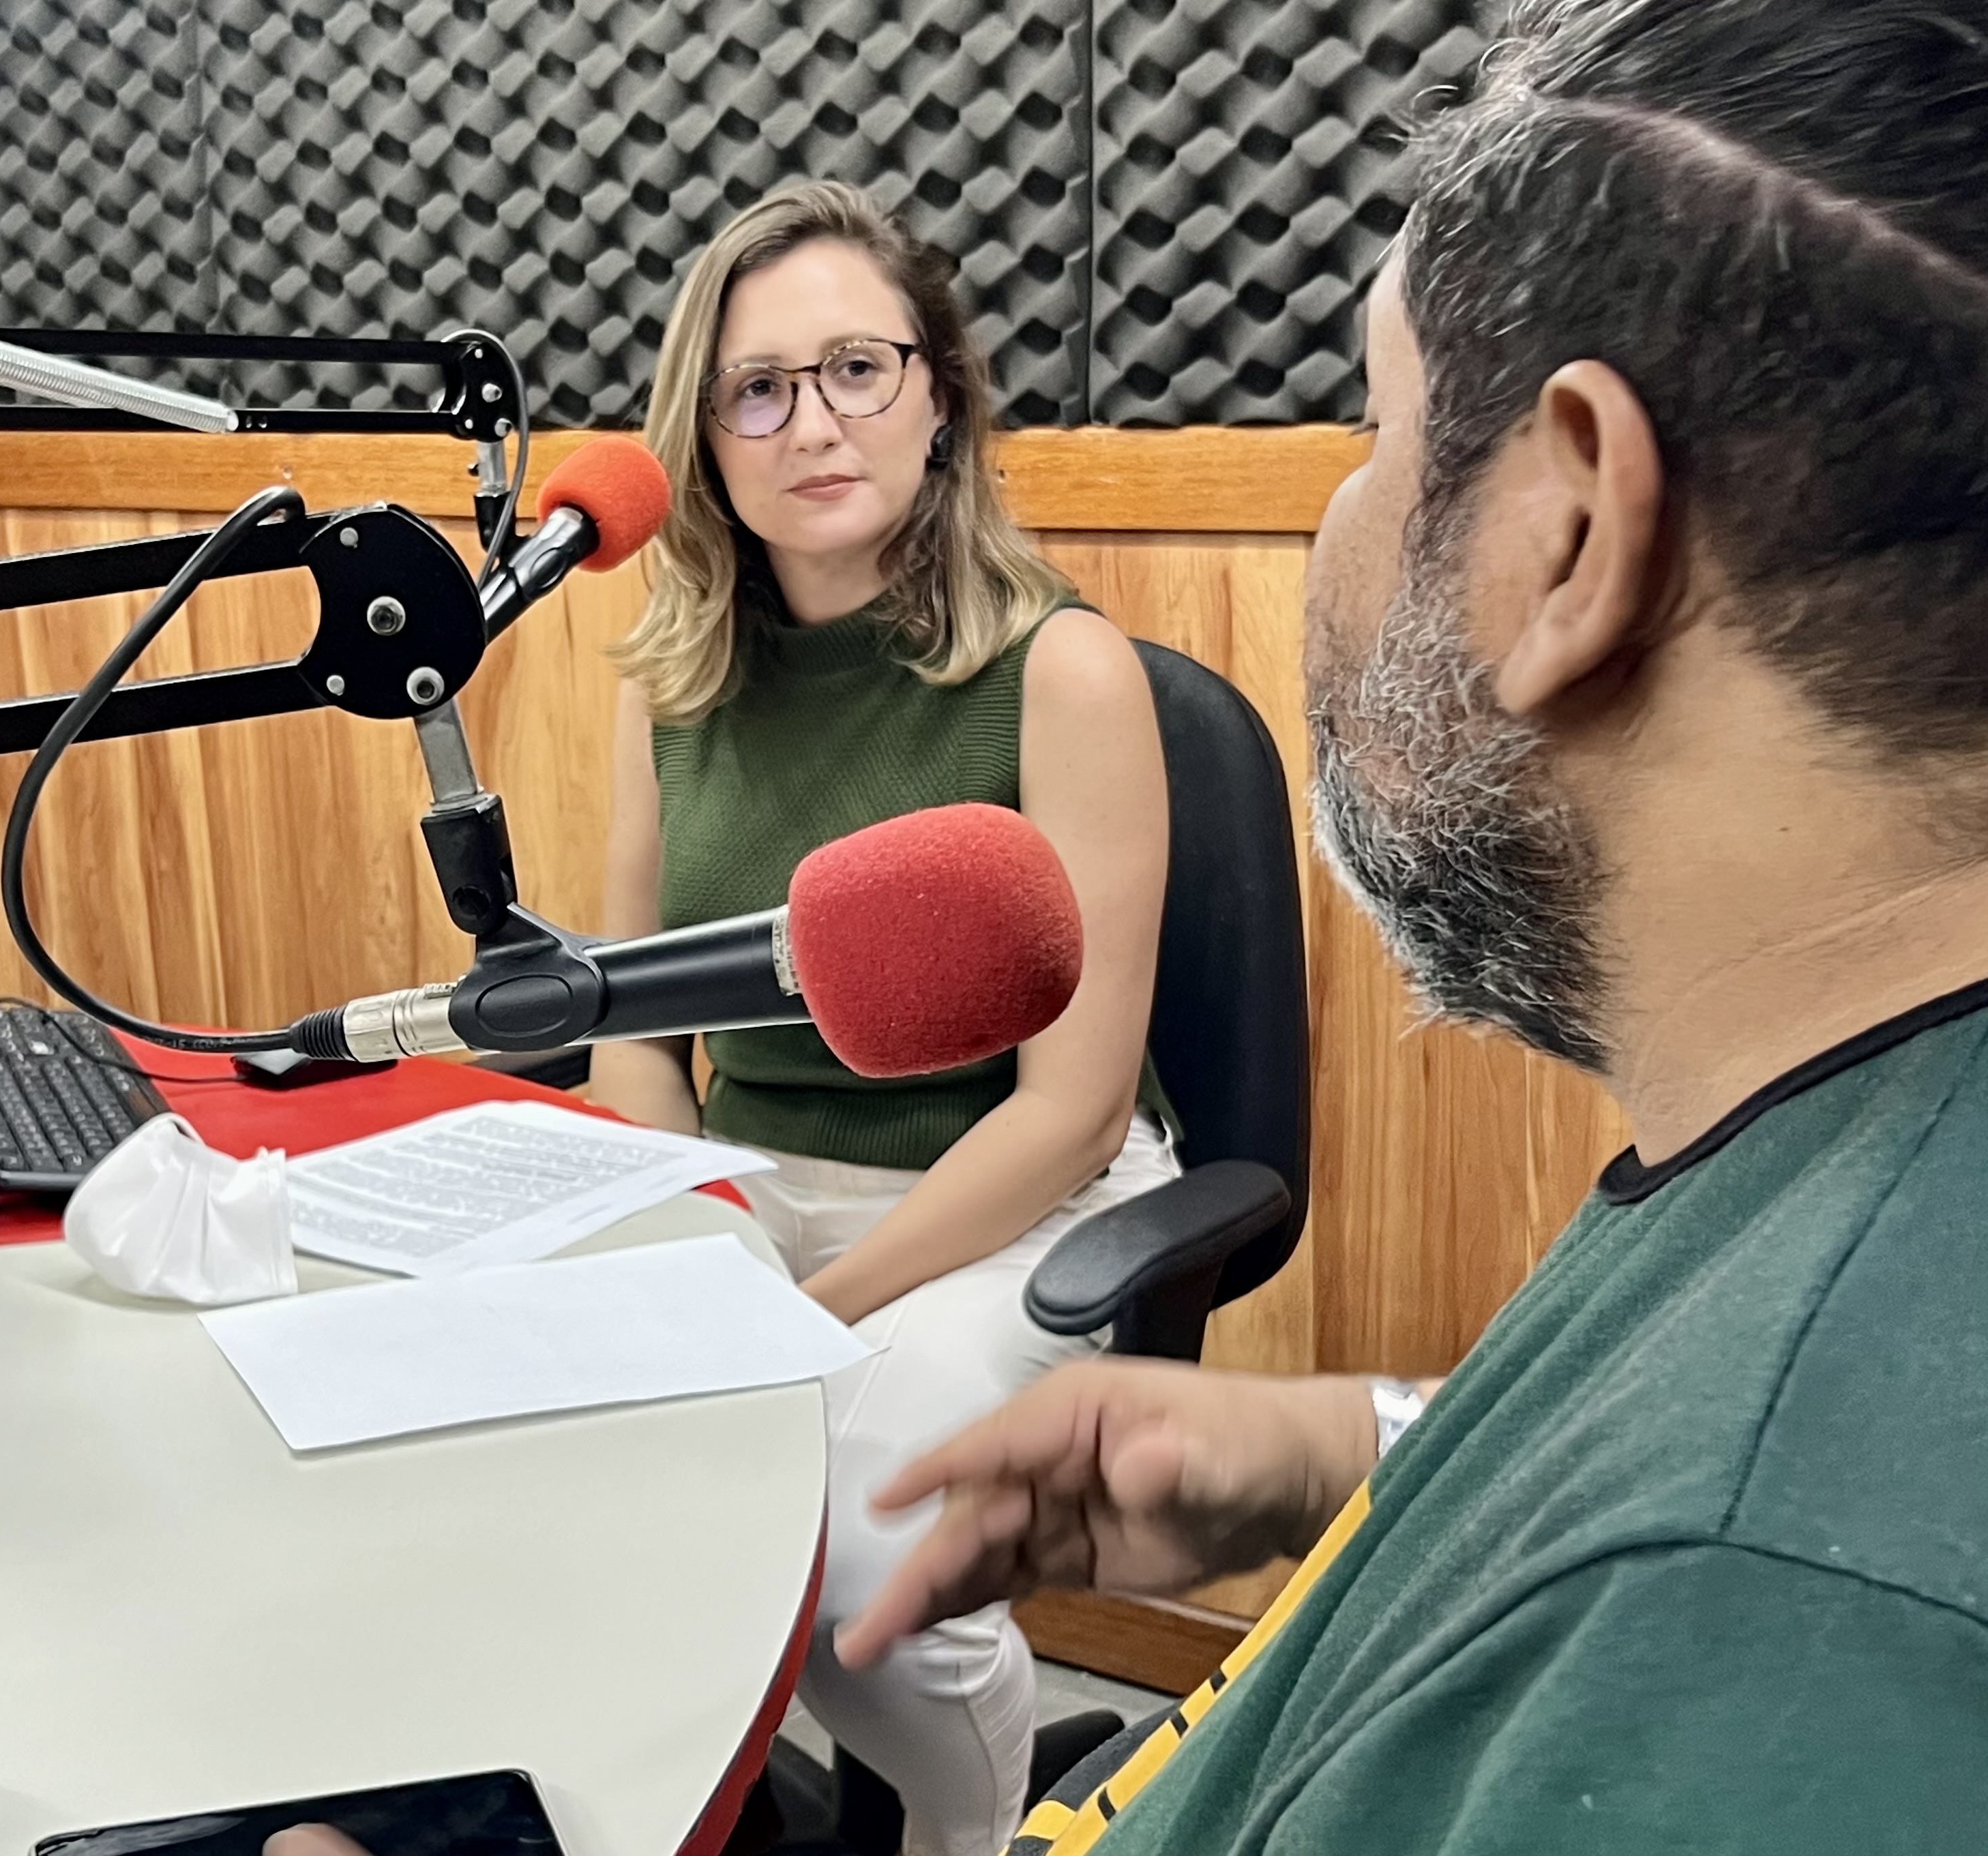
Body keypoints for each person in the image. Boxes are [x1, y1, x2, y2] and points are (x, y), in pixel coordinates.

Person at [835, 1, 1988, 1850]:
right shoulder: (1840, 1146)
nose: (1346, 520)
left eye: (1376, 429)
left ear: (1567, 531)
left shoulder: (1774, 1621)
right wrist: (1366, 1455)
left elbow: (1768, 1562)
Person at [589, 181, 1176, 1854]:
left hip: (1013, 1200)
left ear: (940, 395)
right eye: (758, 388)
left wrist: (807, 1311)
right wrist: (696, 1238)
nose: (813, 422)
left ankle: (967, 1828)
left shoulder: (1064, 674)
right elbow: (631, 1029)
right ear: (704, 438)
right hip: (757, 1190)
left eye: (857, 367)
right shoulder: (672, 686)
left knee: (867, 1563)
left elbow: (1070, 1105)